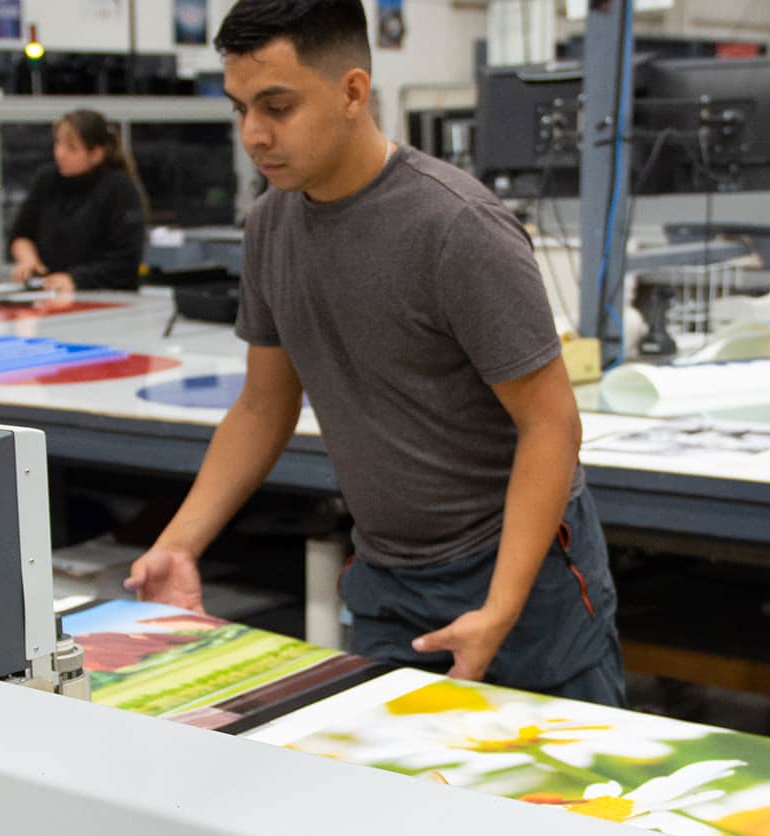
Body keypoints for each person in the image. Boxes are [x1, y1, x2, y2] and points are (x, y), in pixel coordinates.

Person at [127, 0, 624, 705]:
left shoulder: (457, 228)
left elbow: (551, 426)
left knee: (571, 799)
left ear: (353, 92)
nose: (254, 134)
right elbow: (264, 406)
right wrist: (178, 544)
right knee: (398, 796)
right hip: (389, 576)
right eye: (240, 108)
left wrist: (501, 608)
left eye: (277, 106)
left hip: (519, 571)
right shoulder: (271, 225)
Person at [7, 109, 147, 294]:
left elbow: (125, 261)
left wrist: (76, 279)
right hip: (52, 296)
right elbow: (22, 235)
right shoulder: (47, 180)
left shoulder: (119, 189)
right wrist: (28, 259)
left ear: (96, 154)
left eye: (71, 148)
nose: (59, 153)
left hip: (106, 299)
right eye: (58, 143)